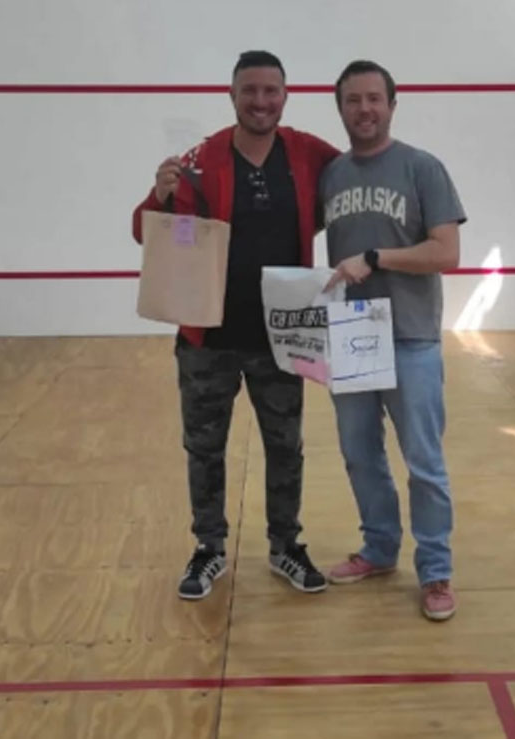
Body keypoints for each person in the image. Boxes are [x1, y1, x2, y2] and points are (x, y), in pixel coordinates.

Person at [131, 51, 339, 600]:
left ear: (286, 96)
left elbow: (351, 183)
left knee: (285, 447)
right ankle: (209, 548)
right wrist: (161, 196)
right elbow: (145, 231)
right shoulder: (200, 159)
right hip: (208, 340)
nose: (260, 101)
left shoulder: (308, 152)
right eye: (250, 90)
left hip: (282, 337)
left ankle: (285, 545)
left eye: (271, 91)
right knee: (205, 449)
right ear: (232, 95)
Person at [320, 60, 466, 621]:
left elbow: (446, 253)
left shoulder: (422, 168)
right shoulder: (332, 174)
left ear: (392, 105)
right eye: (353, 100)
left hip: (411, 338)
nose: (364, 109)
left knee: (423, 463)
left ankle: (436, 571)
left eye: (374, 99)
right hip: (351, 334)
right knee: (360, 455)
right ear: (341, 108)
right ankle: (380, 549)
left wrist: (376, 258)